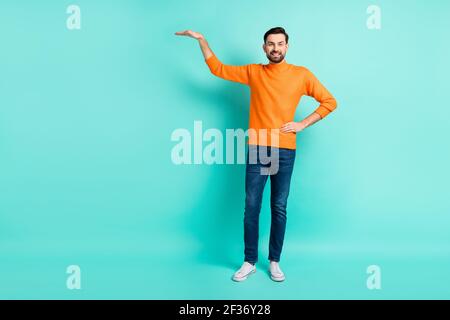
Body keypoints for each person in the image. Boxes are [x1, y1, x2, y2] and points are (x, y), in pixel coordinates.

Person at [175, 27, 337, 282]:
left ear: (287, 46)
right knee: (252, 207)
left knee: (278, 207)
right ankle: (249, 261)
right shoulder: (254, 72)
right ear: (264, 48)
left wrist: (301, 124)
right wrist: (202, 40)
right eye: (270, 44)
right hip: (260, 148)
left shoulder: (301, 74)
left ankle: (274, 261)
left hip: (285, 149)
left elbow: (329, 101)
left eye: (280, 44)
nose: (275, 48)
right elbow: (216, 68)